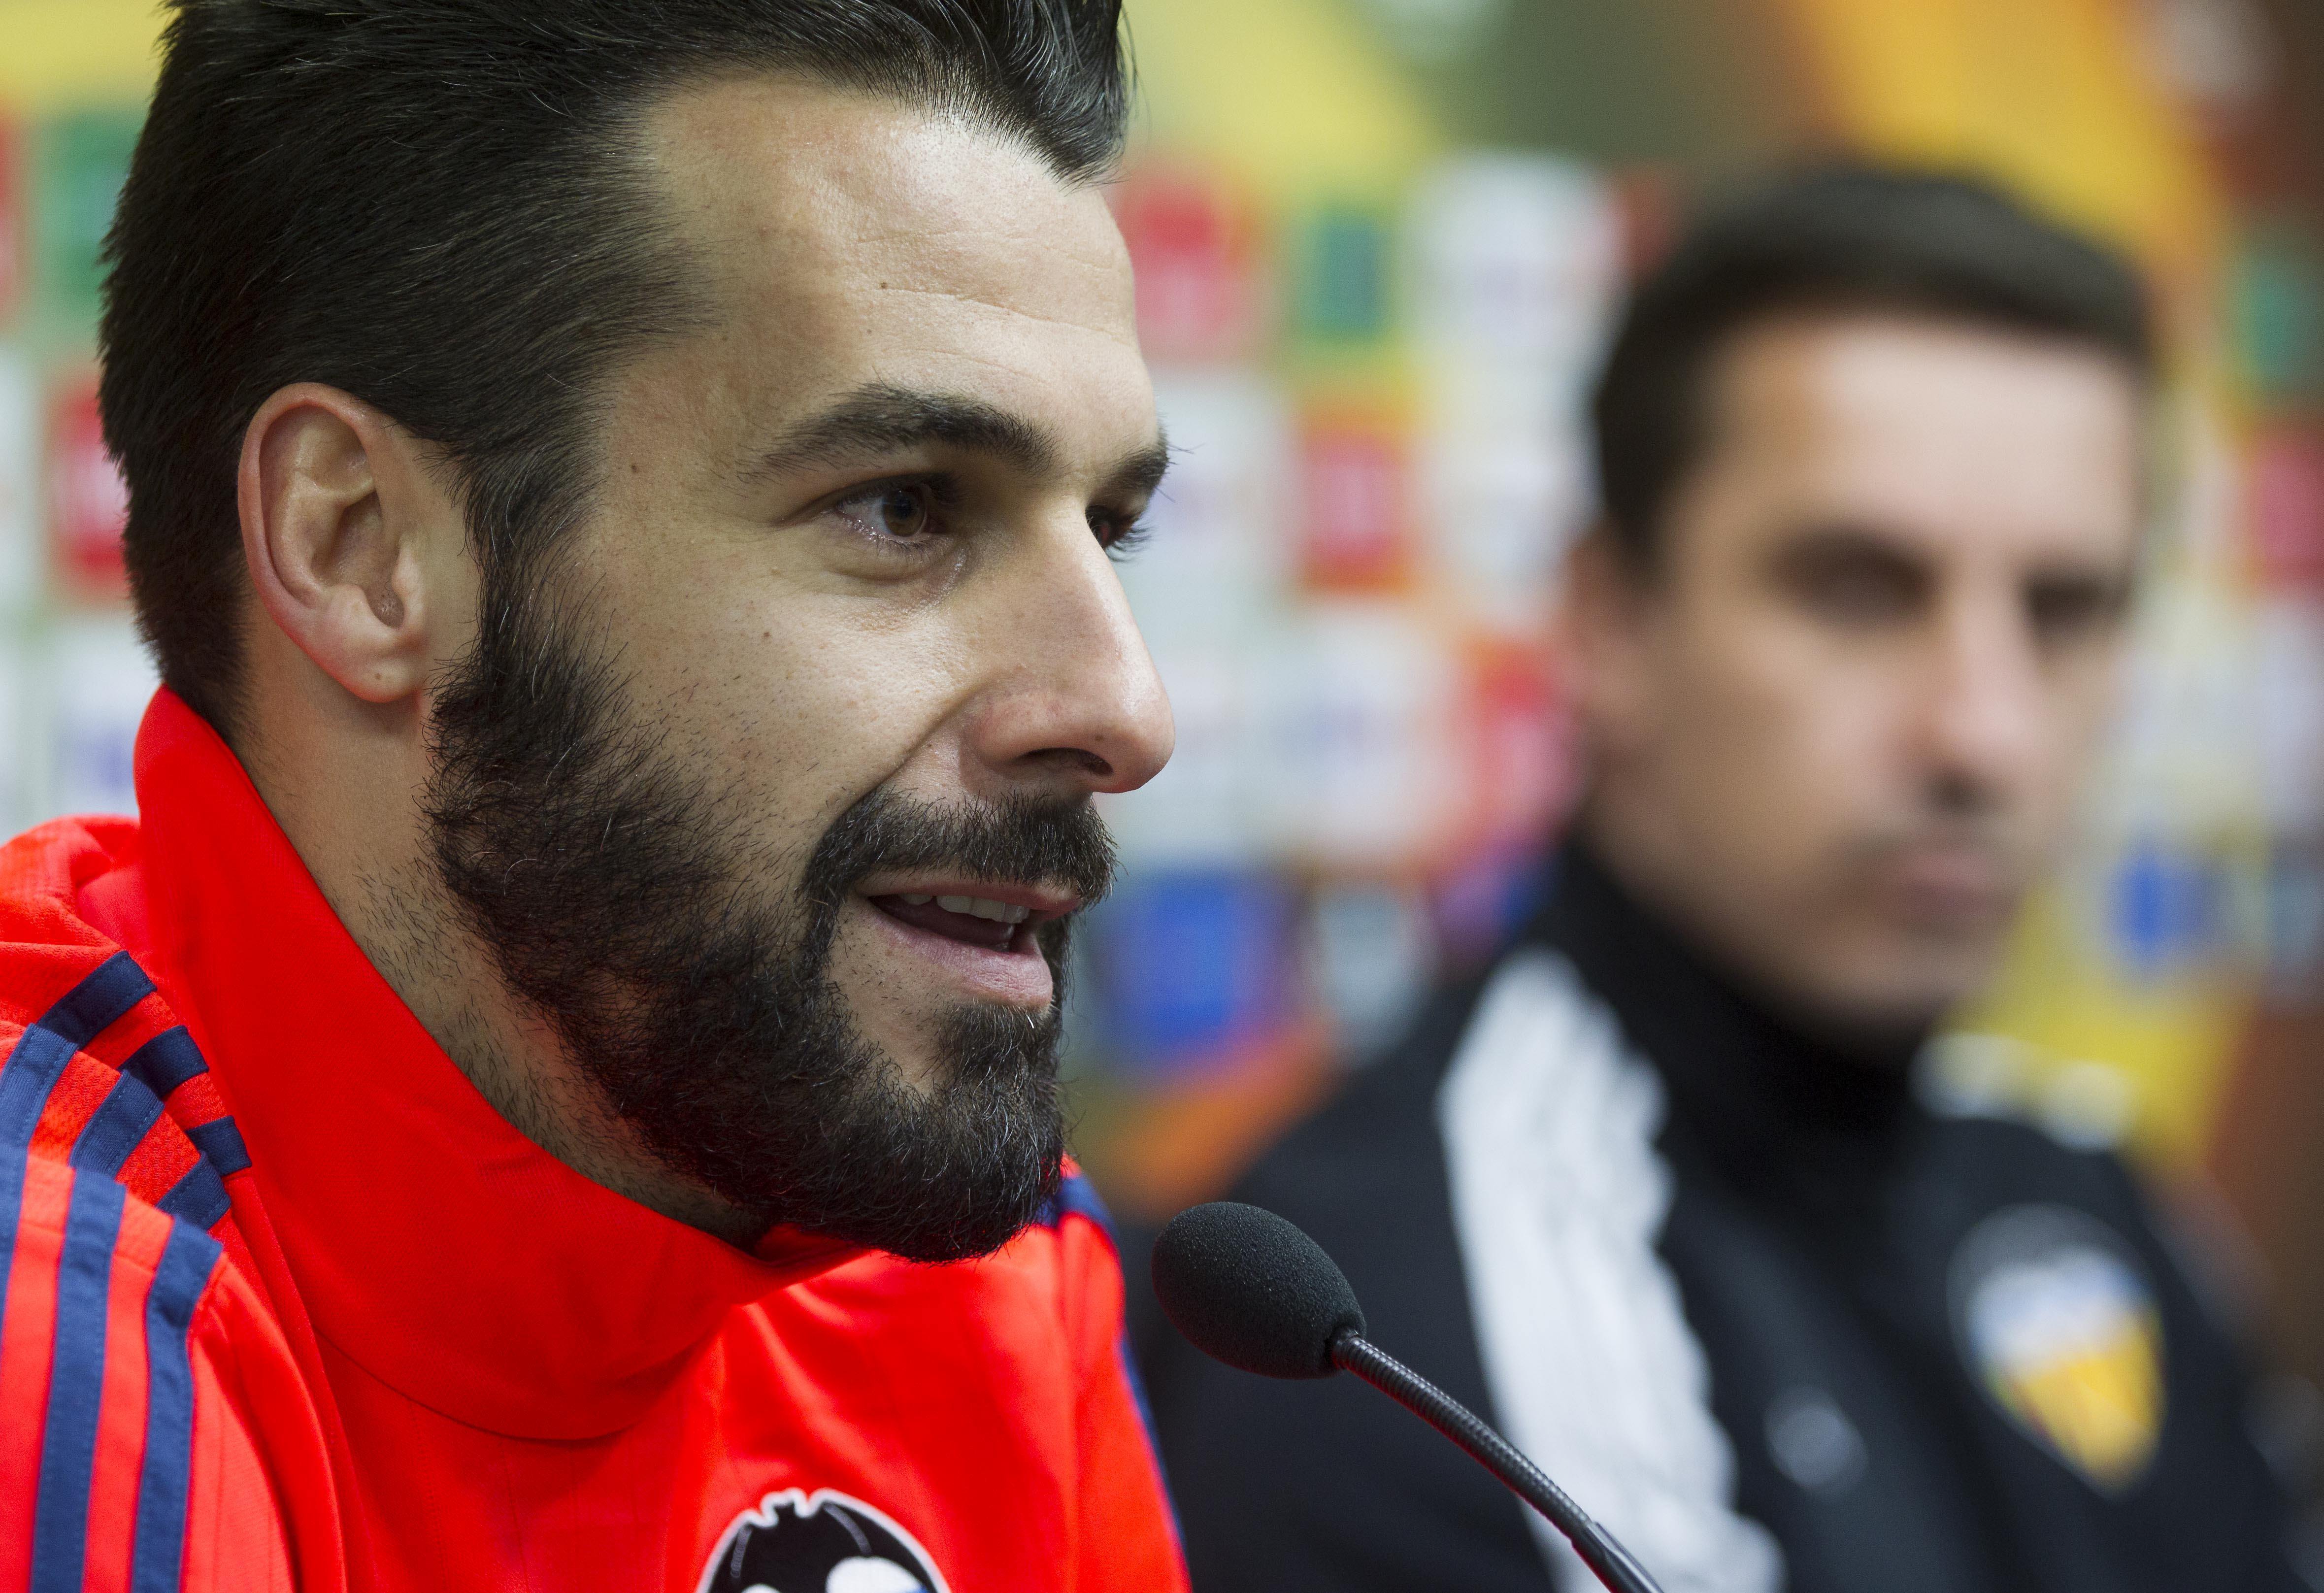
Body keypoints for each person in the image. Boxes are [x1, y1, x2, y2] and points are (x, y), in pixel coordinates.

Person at [0, 2, 1188, 1589]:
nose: (1125, 709)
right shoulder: (54, 1301)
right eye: (904, 508)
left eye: (1107, 528)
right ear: (362, 550)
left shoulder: (981, 1270)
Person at [1148, 167, 2304, 1593]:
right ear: (1607, 619)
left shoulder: (2091, 1185)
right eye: (1856, 588)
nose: (1983, 732)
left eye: (2066, 610)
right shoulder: (1386, 1325)